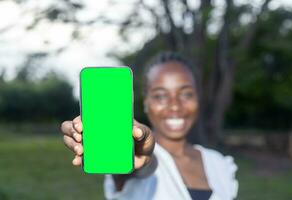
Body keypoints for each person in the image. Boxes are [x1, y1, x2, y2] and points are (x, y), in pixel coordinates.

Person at [60, 52, 238, 200]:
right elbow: (141, 167)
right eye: (160, 96)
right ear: (146, 103)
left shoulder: (220, 163)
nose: (175, 105)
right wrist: (139, 151)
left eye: (186, 94)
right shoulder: (132, 155)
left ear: (198, 99)